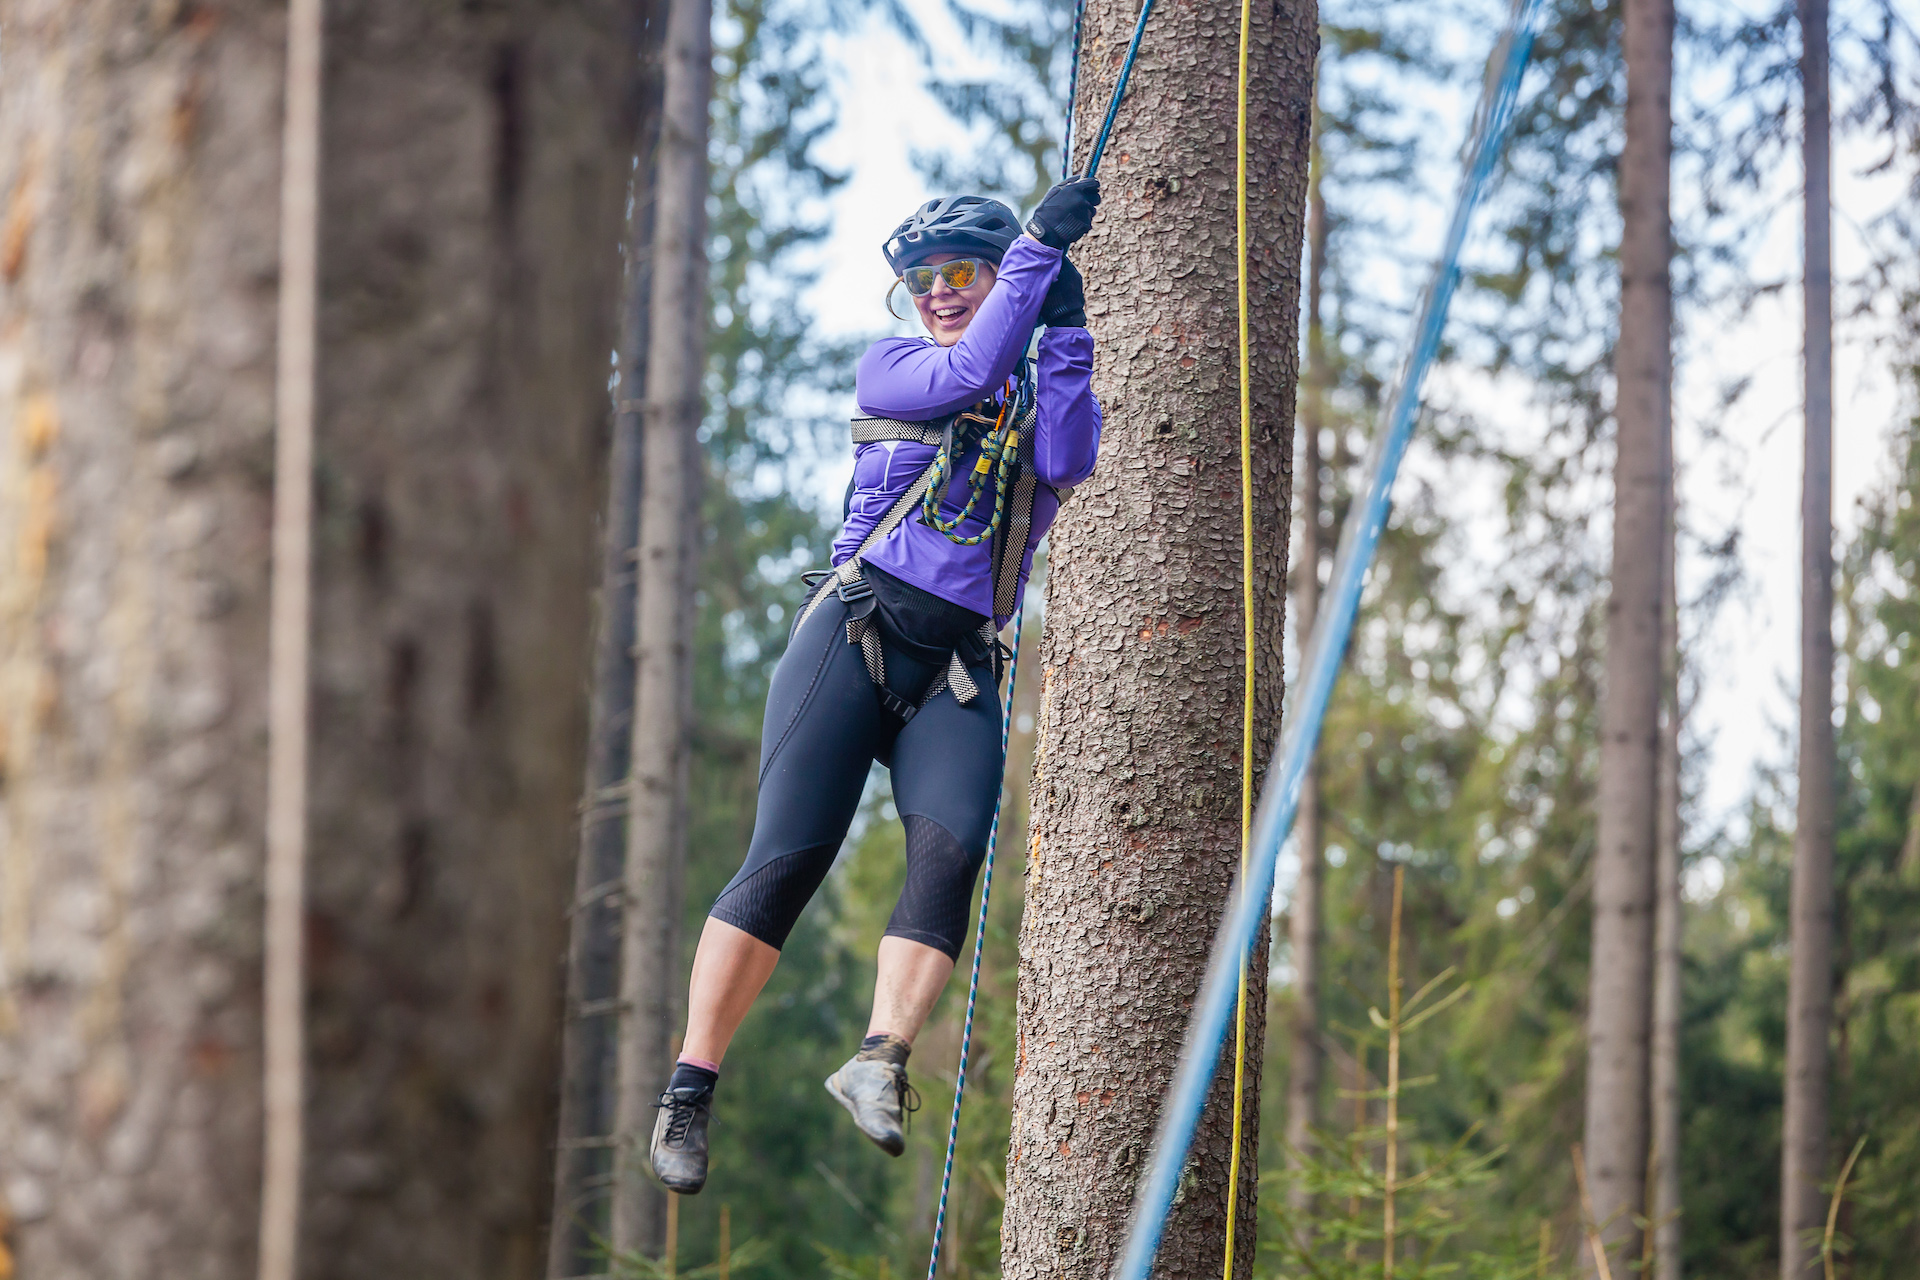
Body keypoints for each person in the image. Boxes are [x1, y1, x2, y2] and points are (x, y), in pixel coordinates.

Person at [649, 176, 1105, 1193]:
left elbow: (1070, 458)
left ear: (995, 280)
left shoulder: (1027, 393)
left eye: (961, 274)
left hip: (959, 664)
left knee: (949, 855)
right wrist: (1036, 252)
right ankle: (688, 1086)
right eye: (924, 279)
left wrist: (1065, 325)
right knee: (787, 859)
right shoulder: (897, 366)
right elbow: (971, 367)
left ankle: (878, 1059)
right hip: (853, 632)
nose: (940, 291)